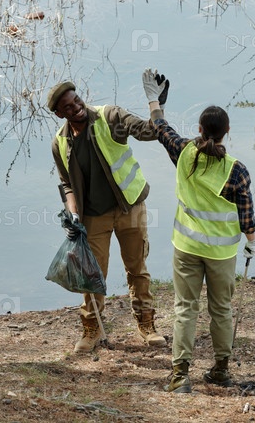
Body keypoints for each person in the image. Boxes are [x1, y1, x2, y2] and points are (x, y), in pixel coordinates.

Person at [142, 68, 255, 393]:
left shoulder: (184, 153)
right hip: (221, 254)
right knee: (221, 310)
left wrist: (154, 100)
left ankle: (180, 376)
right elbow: (247, 216)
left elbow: (161, 128)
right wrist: (251, 242)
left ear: (199, 129)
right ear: (227, 132)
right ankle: (221, 370)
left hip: (187, 248)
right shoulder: (236, 170)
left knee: (185, 308)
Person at [47, 78, 169, 352]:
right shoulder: (60, 142)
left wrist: (156, 104)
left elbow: (149, 132)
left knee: (137, 268)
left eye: (76, 100)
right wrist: (72, 215)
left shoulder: (110, 116)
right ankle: (92, 329)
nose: (76, 107)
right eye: (68, 106)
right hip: (93, 216)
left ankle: (146, 324)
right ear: (59, 113)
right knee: (92, 274)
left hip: (130, 207)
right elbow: (66, 183)